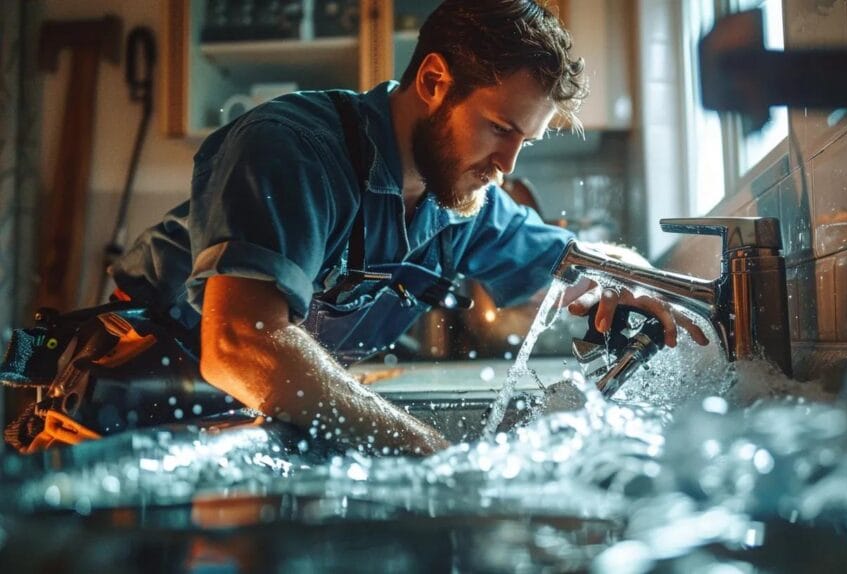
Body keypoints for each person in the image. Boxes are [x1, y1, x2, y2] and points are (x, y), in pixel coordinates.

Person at [102, 0, 702, 456]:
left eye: (526, 141)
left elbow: (578, 262)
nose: (508, 165)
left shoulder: (462, 203)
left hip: (251, 419)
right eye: (499, 128)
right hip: (134, 410)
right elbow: (241, 344)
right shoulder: (291, 148)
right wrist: (436, 457)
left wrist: (634, 281)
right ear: (434, 82)